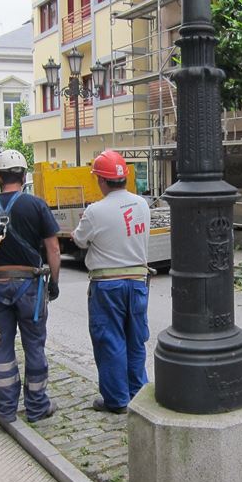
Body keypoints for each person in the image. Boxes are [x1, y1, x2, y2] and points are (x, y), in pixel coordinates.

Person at [0, 150, 61, 423]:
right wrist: (53, 282)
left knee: (2, 349)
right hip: (31, 287)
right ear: (23, 175)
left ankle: (6, 408)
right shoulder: (36, 206)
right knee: (34, 346)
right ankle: (36, 407)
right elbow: (53, 248)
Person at [72, 150, 151, 414]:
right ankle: (138, 395)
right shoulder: (142, 204)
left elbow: (79, 240)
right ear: (125, 177)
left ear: (101, 181)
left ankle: (117, 399)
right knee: (135, 339)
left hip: (107, 285)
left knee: (111, 340)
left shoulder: (95, 211)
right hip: (138, 281)